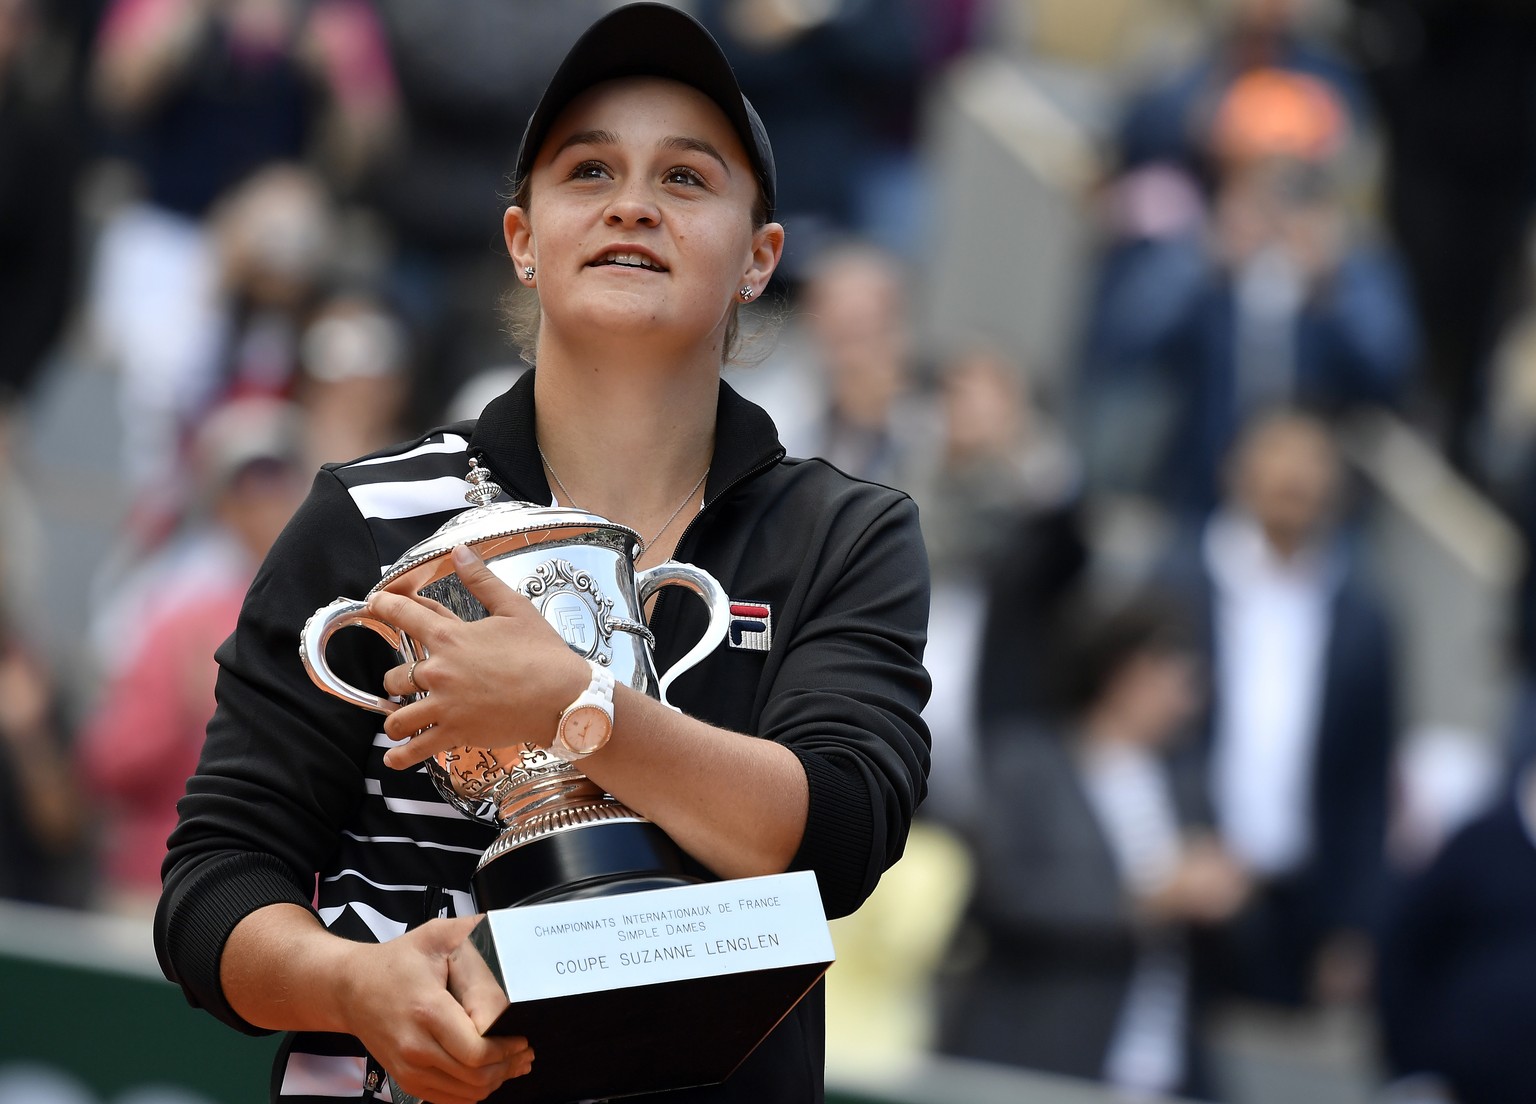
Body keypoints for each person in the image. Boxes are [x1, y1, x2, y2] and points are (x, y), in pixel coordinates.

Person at [153, 7, 933, 1104]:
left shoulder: (843, 534)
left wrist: (578, 704)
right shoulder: (365, 515)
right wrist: (355, 986)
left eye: (687, 179)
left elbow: (841, 839)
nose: (631, 203)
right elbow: (213, 884)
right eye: (589, 170)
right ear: (523, 239)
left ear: (760, 258)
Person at [936, 589, 1247, 1099]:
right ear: (1126, 673)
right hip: (1040, 1053)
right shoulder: (1029, 765)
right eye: (1177, 677)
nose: (1190, 700)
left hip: (1161, 1061)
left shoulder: (1186, 789)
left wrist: (1226, 894)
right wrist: (1150, 899)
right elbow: (1004, 892)